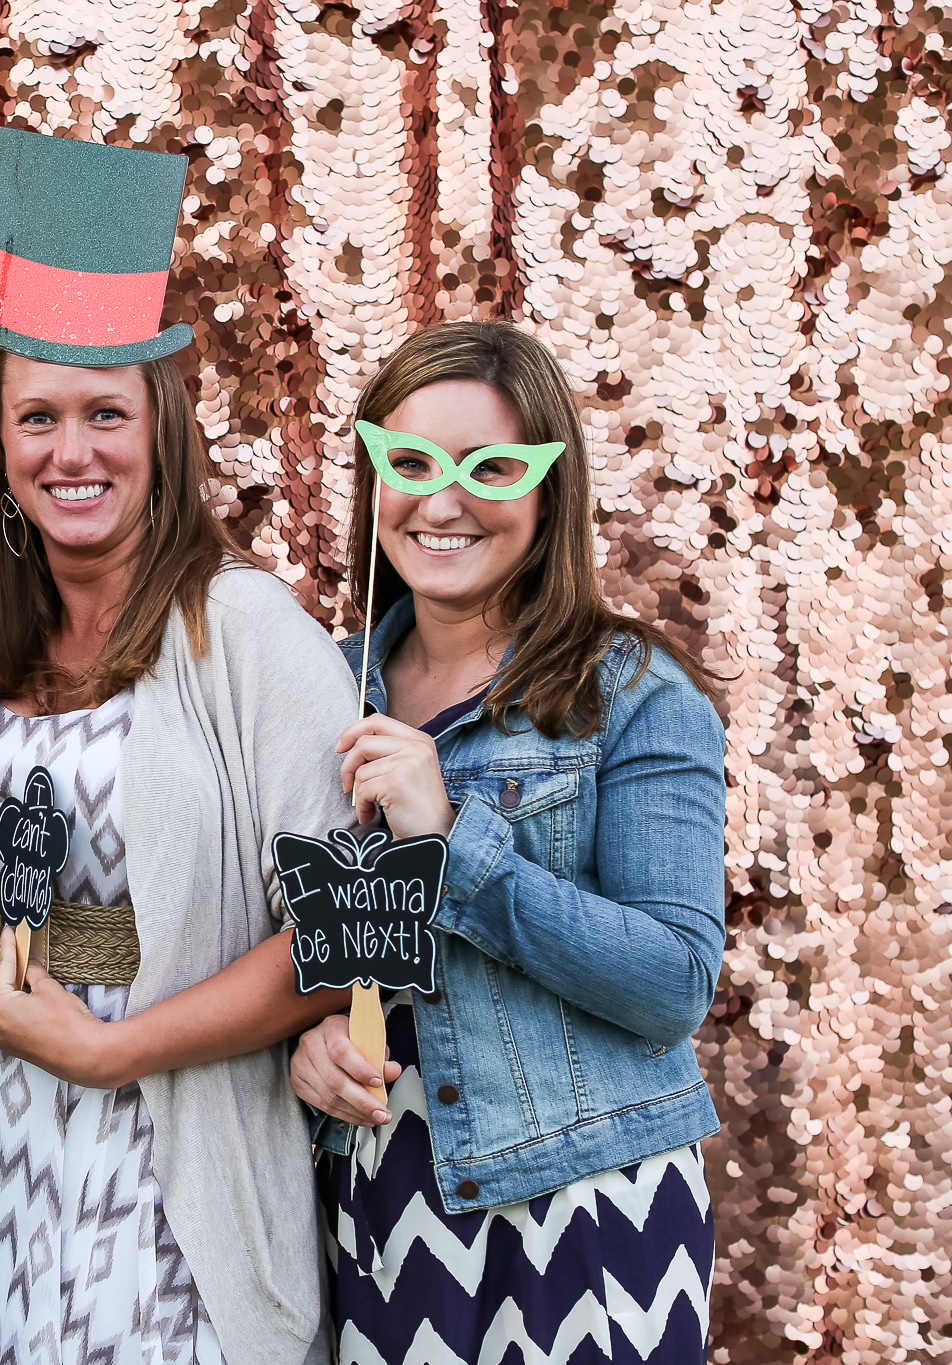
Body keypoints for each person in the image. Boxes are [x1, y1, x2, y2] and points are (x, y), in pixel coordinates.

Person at [0, 337, 360, 1362]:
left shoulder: (242, 628)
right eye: (36, 418)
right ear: (0, 447)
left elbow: (338, 937)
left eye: (105, 414)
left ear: (162, 433)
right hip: (3, 1161)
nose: (71, 452)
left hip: (165, 1165)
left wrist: (110, 1053)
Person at [289, 321, 726, 1364]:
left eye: (488, 466)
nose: (442, 503)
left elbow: (670, 982)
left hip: (584, 1204)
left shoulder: (630, 693)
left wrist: (449, 840)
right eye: (410, 464)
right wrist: (301, 1048)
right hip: (381, 1201)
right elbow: (305, 947)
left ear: (547, 487)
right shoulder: (317, 686)